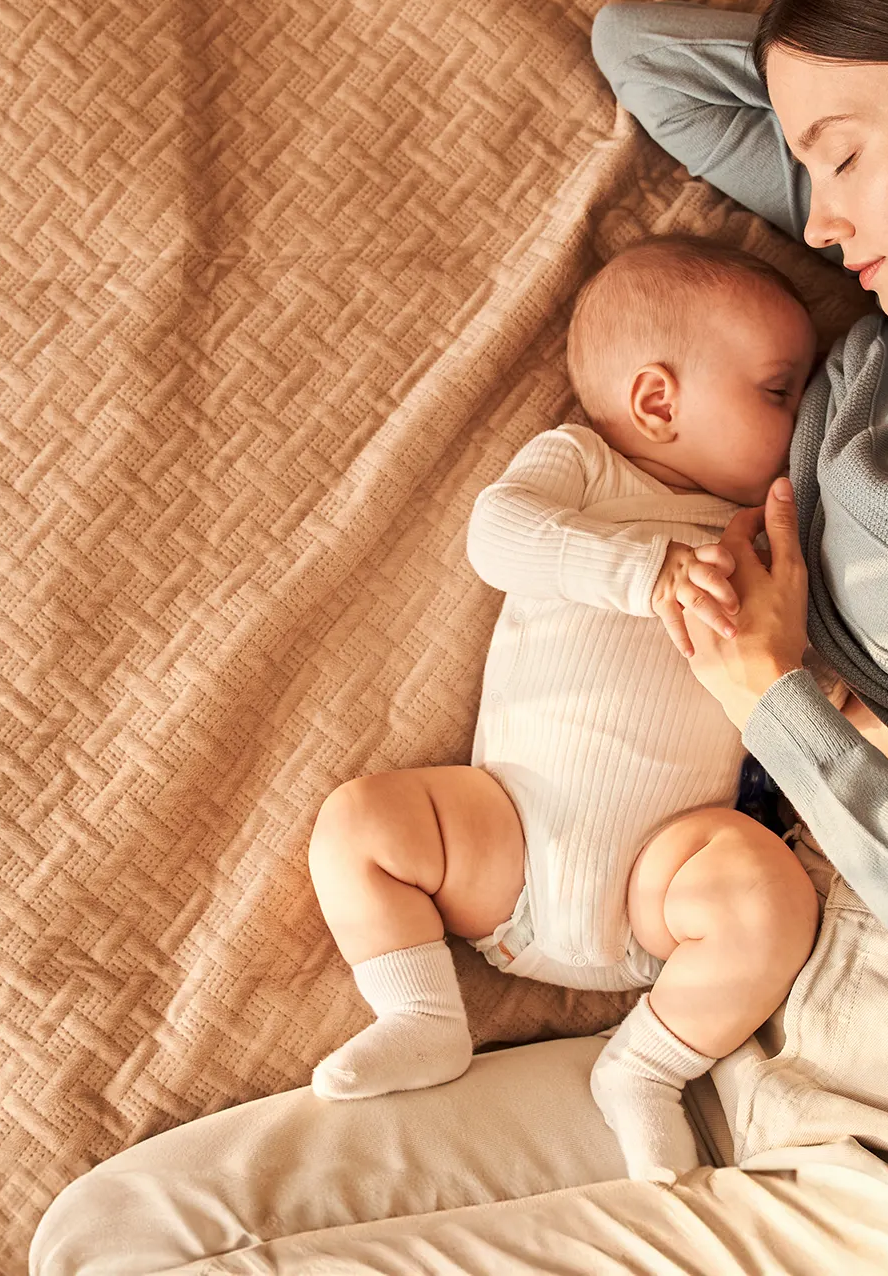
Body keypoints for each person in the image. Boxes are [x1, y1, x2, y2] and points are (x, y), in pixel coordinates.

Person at [33, 0, 888, 1276]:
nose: (817, 219)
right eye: (806, 162)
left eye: (841, 158)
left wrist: (774, 694)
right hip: (744, 1030)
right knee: (121, 1236)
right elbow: (641, 54)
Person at [304, 237, 830, 1183]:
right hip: (507, 847)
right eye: (778, 390)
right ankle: (421, 1013)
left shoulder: (762, 535)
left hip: (661, 885)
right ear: (657, 402)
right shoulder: (583, 466)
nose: (804, 419)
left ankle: (646, 1067)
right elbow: (497, 536)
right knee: (362, 820)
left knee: (768, 892)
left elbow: (792, 656)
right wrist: (643, 571)